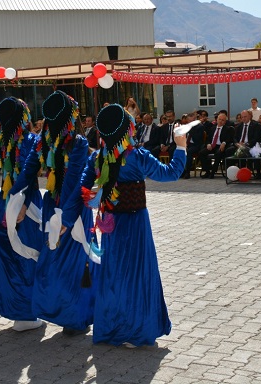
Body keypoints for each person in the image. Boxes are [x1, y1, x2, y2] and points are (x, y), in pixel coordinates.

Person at [61, 103, 187, 347]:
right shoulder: (137, 156)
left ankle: (113, 329)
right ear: (128, 128)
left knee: (114, 275)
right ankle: (136, 332)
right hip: (136, 225)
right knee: (137, 275)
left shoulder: (97, 157)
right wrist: (180, 146)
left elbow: (80, 191)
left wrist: (66, 220)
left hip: (111, 225)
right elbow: (170, 173)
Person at [10, 90, 96, 336]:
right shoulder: (43, 142)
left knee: (75, 265)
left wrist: (65, 218)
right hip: (53, 208)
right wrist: (18, 201)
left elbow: (77, 182)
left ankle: (77, 318)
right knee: (54, 262)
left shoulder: (78, 144)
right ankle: (62, 312)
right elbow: (28, 171)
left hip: (73, 210)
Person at [0, 96, 45, 331]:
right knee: (27, 259)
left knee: (10, 259)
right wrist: (21, 204)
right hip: (26, 205)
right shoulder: (33, 140)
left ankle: (18, 311)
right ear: (25, 117)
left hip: (3, 204)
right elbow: (29, 175)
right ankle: (27, 314)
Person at [199, 112, 234, 179]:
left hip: (220, 146)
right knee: (201, 153)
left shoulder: (228, 129)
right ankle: (207, 171)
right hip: (212, 146)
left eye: (222, 120)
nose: (220, 121)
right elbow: (208, 139)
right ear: (217, 120)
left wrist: (224, 143)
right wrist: (208, 144)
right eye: (219, 119)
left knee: (218, 154)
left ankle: (212, 173)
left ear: (225, 122)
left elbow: (229, 139)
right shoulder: (212, 128)